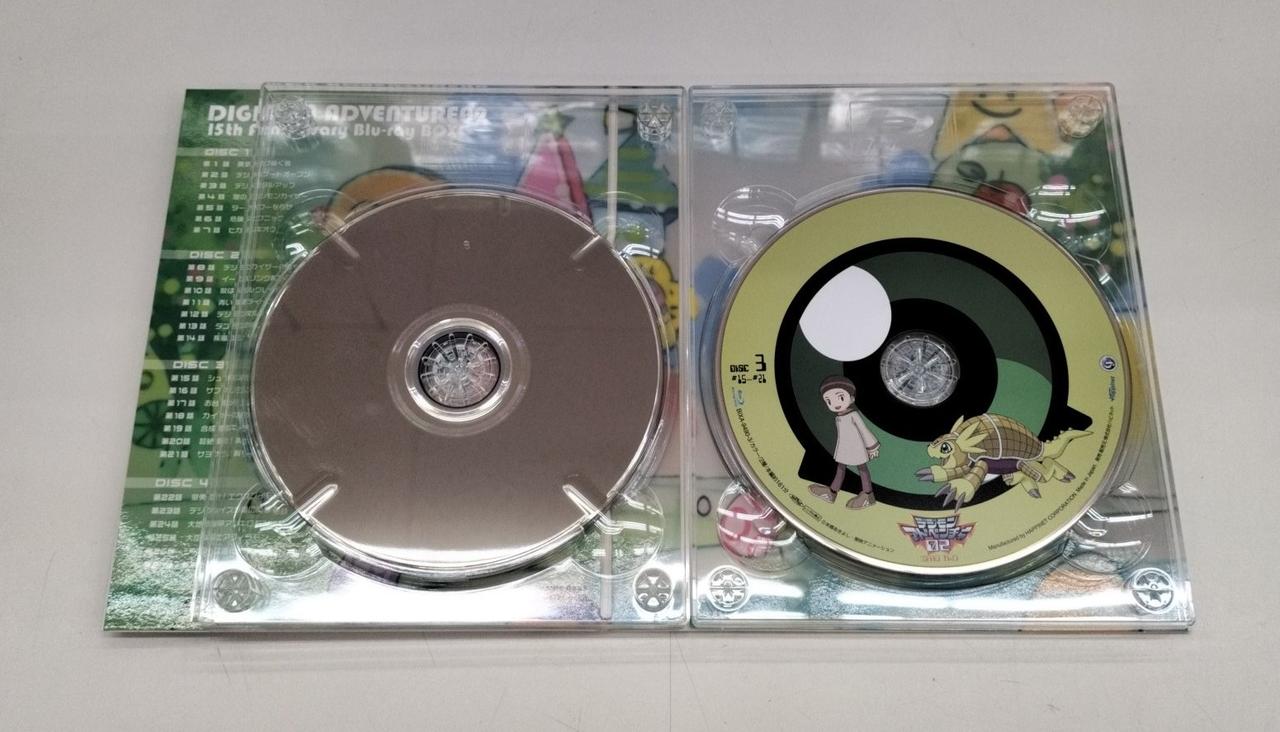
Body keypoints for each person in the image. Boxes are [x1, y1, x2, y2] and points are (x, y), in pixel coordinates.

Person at [809, 376, 881, 510]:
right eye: (829, 401)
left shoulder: (853, 415)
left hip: (857, 447)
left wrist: (872, 446)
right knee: (841, 468)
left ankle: (868, 495)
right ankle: (832, 492)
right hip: (845, 448)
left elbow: (863, 430)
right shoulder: (838, 417)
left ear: (852, 399)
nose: (835, 403)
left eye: (840, 397)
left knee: (862, 468)